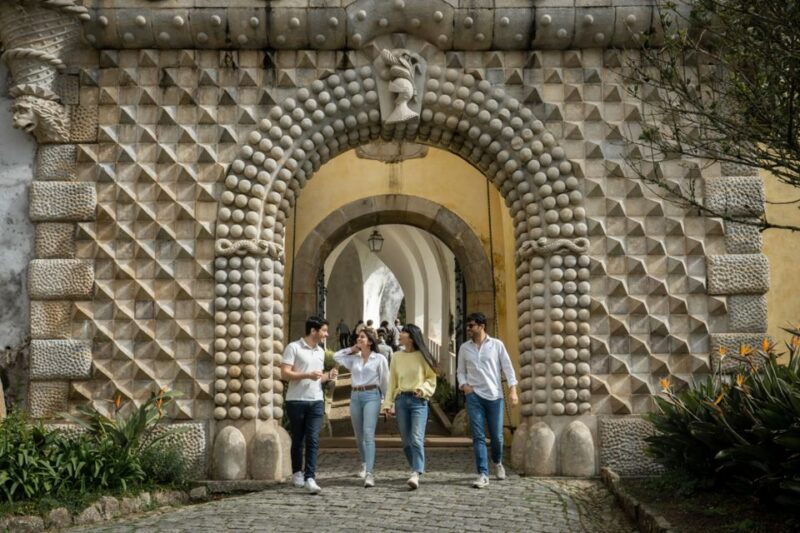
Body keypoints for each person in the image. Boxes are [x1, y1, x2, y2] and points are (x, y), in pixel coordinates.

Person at [456, 312, 518, 489]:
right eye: (468, 325)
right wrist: (464, 386)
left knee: (497, 437)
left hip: (494, 396)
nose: (468, 329)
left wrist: (513, 390)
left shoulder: (497, 345)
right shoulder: (464, 348)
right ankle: (483, 473)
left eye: (471, 325)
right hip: (474, 396)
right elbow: (460, 371)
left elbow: (508, 368)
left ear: (482, 326)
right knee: (478, 436)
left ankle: (497, 462)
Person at [281, 316, 339, 494]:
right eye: (324, 330)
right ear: (313, 331)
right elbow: (284, 374)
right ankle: (297, 472)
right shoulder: (294, 347)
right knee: (298, 438)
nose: (326, 334)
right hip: (296, 400)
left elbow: (318, 378)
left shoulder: (320, 351)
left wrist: (327, 376)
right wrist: (306, 375)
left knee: (313, 439)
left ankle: (310, 477)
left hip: (316, 401)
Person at [381, 324, 437, 490]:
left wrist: (423, 389)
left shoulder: (423, 356)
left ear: (411, 337)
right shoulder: (397, 356)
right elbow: (392, 382)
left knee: (416, 438)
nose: (400, 334)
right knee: (406, 441)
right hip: (401, 401)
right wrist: (387, 403)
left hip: (418, 401)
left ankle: (416, 472)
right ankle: (416, 467)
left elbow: (431, 379)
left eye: (404, 332)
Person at [333, 329, 389, 488]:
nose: (358, 338)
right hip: (355, 396)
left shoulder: (380, 359)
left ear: (370, 341)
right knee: (358, 435)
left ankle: (370, 474)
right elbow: (336, 356)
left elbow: (385, 382)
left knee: (368, 433)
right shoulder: (354, 359)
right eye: (358, 336)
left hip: (372, 395)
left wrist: (387, 403)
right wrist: (352, 349)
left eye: (362, 337)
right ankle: (364, 463)